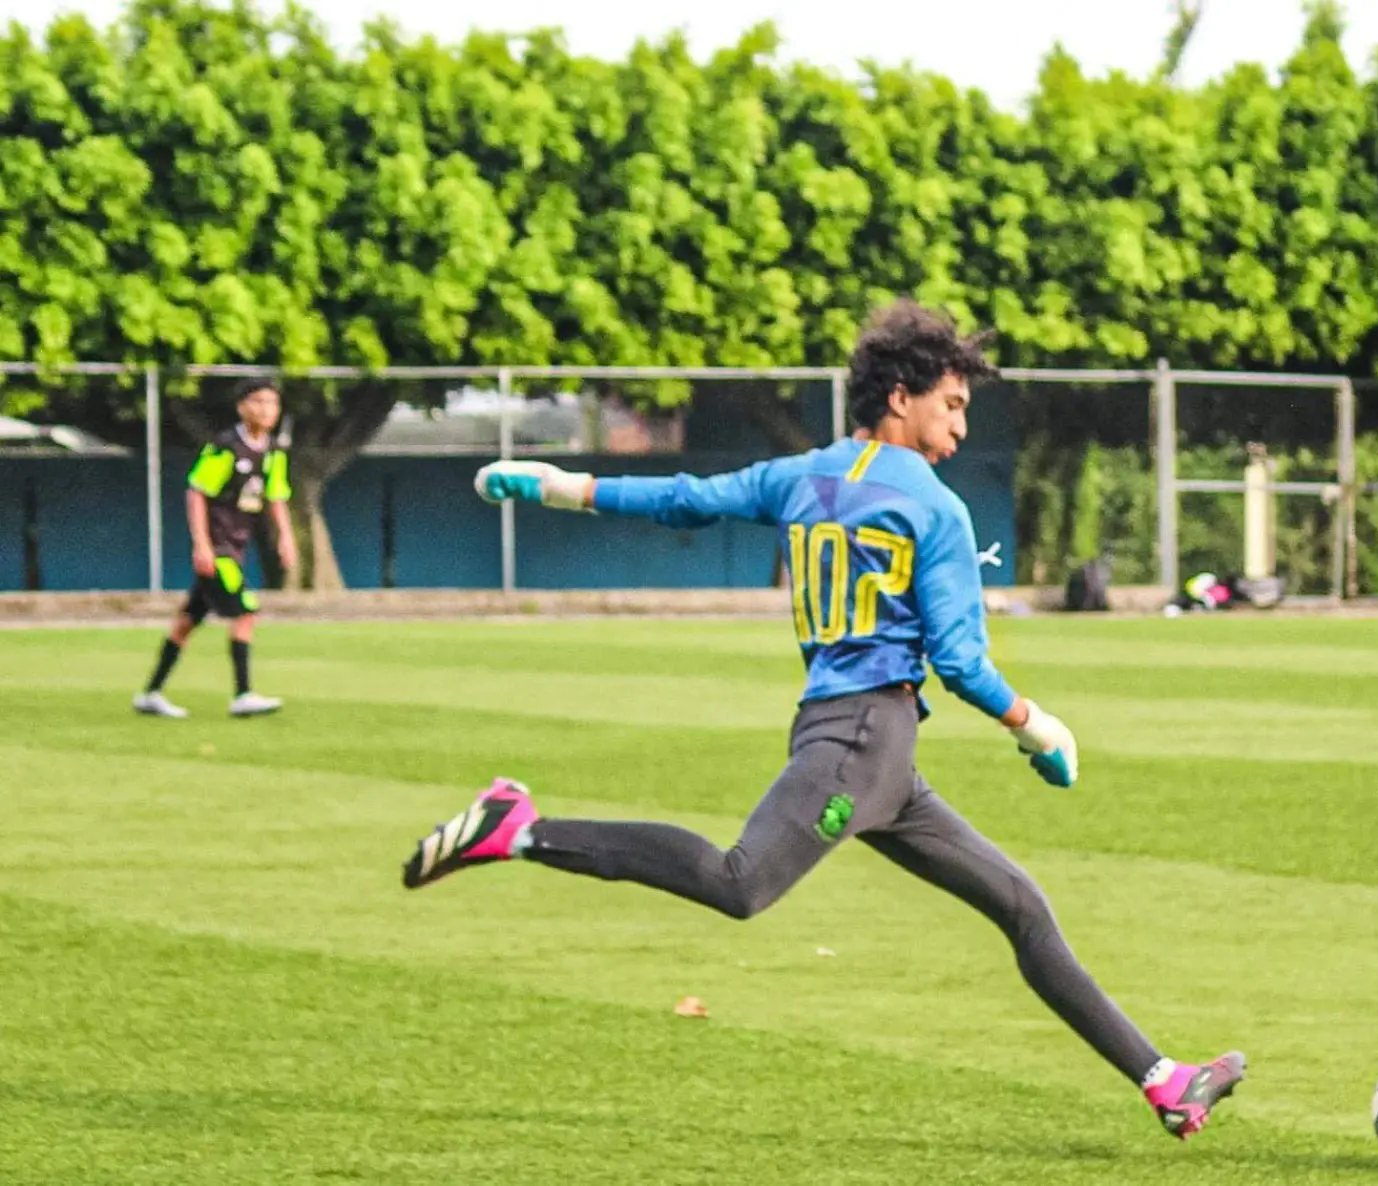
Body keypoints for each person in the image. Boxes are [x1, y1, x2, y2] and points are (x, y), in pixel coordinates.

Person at [399, 301, 1246, 1140]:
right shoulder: (937, 510)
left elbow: (687, 498)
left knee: (1020, 904)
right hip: (861, 746)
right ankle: (520, 829)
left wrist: (564, 487)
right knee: (741, 883)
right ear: (902, 393)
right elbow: (960, 663)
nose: (959, 427)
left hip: (864, 752)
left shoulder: (798, 476)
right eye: (952, 404)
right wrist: (1038, 726)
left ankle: (1164, 1079)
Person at [134, 379, 296, 719]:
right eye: (258, 401)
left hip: (237, 546)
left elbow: (277, 496)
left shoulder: (273, 451)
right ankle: (243, 694)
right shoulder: (226, 447)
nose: (267, 410)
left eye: (272, 403)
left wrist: (285, 536)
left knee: (187, 622)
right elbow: (196, 491)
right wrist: (203, 545)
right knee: (246, 611)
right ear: (242, 406)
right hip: (219, 549)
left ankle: (150, 694)